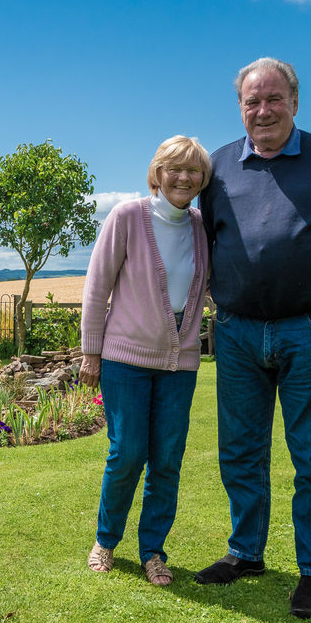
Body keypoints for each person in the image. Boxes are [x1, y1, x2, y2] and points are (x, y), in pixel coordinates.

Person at [195, 58, 311, 618]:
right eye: (251, 101)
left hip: (310, 329)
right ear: (239, 106)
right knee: (240, 452)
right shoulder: (216, 169)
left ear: (295, 101)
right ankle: (245, 553)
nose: (262, 110)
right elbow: (209, 243)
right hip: (238, 332)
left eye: (273, 99)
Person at [80, 135, 211, 587]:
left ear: (203, 180)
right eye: (174, 168)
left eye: (193, 170)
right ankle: (105, 541)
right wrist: (90, 353)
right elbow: (97, 288)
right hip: (125, 359)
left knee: (168, 459)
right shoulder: (128, 216)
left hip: (181, 363)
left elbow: (208, 287)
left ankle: (153, 550)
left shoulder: (201, 226)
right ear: (157, 173)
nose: (183, 177)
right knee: (128, 452)